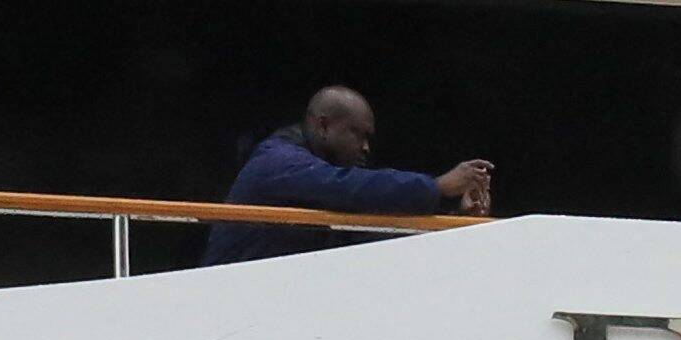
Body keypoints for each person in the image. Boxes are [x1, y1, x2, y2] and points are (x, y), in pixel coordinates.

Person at [203, 86, 491, 264]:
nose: (365, 147)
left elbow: (365, 238)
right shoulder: (278, 162)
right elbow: (350, 187)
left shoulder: (309, 173)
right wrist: (437, 187)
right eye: (357, 134)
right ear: (324, 126)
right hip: (230, 303)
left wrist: (457, 223)